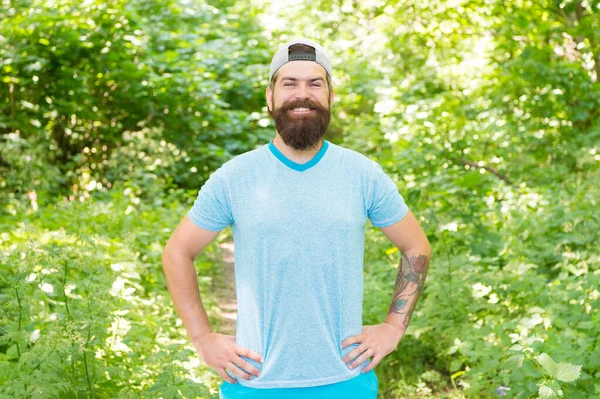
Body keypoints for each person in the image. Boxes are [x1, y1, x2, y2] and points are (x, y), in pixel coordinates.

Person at [161, 38, 431, 399]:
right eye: (290, 83)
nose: (302, 94)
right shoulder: (235, 177)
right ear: (270, 97)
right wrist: (201, 338)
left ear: (330, 97)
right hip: (255, 383)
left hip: (347, 381)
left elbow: (415, 245)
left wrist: (393, 328)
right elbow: (177, 252)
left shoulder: (362, 174)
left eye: (315, 83)